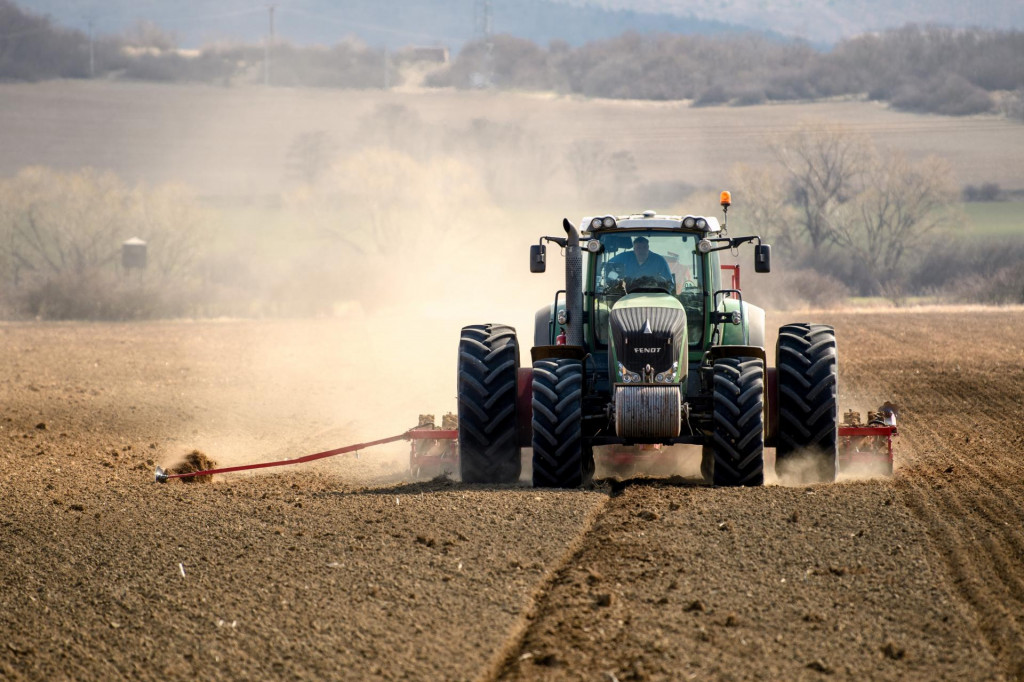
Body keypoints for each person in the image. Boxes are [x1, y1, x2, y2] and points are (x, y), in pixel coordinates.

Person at [607, 236, 674, 290]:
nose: (642, 251)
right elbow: (608, 265)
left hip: (653, 296)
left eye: (644, 247)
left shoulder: (659, 261)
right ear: (634, 249)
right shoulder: (624, 257)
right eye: (638, 248)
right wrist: (613, 276)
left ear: (648, 248)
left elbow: (670, 284)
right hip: (628, 296)